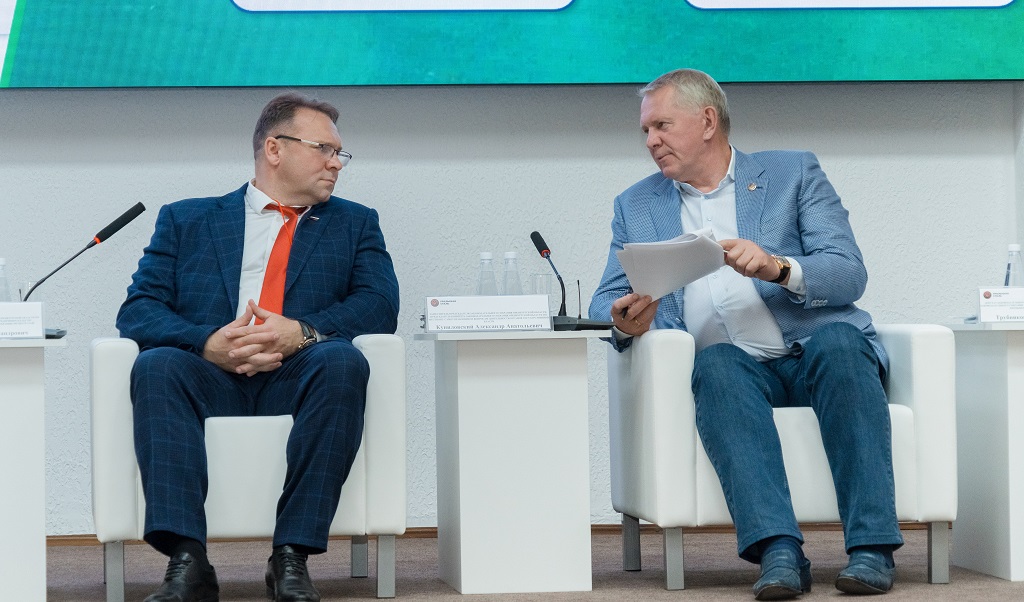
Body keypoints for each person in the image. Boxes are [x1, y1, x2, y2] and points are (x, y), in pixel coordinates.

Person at [590, 69, 901, 600]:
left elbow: (849, 272)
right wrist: (625, 320)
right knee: (715, 363)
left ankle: (872, 548)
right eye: (645, 131)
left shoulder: (792, 173)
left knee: (839, 343)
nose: (651, 141)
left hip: (814, 352)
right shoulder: (636, 205)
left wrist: (780, 268)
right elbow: (607, 300)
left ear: (708, 121)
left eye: (662, 126)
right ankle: (778, 551)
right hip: (735, 369)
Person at [117, 93, 400, 602]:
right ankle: (187, 561)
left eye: (340, 153)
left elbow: (379, 304)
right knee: (156, 365)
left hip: (299, 374)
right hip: (209, 376)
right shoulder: (187, 219)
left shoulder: (355, 222)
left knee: (342, 361)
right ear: (274, 148)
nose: (337, 163)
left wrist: (302, 332)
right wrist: (207, 343)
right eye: (324, 149)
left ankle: (290, 556)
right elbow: (138, 310)